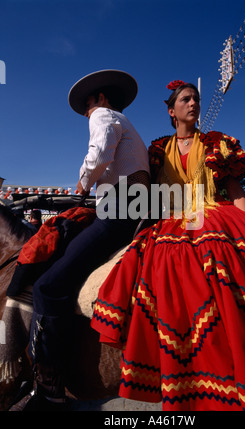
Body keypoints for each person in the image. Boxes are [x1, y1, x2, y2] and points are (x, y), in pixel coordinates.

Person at [91, 80, 245, 411]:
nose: (193, 104)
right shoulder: (158, 150)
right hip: (173, 218)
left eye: (196, 99)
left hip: (217, 215)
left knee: (239, 267)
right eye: (186, 99)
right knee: (150, 260)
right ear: (171, 111)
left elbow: (234, 191)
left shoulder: (218, 144)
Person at [17, 69, 150, 410]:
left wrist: (82, 184)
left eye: (88, 104)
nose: (87, 111)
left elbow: (100, 153)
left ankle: (49, 390)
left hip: (118, 215)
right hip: (129, 209)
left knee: (48, 287)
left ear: (101, 99)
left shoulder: (105, 116)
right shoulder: (124, 122)